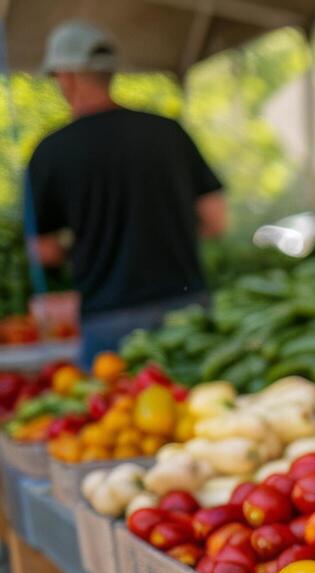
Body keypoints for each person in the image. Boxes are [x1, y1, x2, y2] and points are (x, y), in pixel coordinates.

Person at [27, 20, 227, 366]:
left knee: (117, 412)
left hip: (108, 320)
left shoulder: (50, 152)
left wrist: (85, 247)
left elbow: (42, 251)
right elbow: (216, 219)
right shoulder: (168, 133)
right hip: (187, 308)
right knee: (201, 408)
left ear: (67, 77)